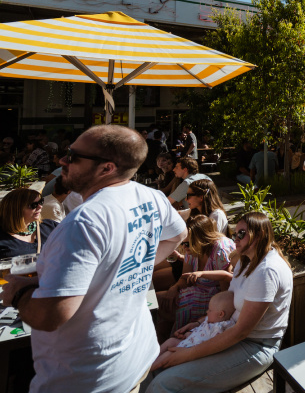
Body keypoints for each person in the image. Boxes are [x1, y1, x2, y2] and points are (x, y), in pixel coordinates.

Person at [0, 125, 187, 393]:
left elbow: (52, 316)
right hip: (133, 360)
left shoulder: (83, 222)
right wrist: (122, 269)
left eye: (73, 155)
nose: (62, 160)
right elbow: (178, 234)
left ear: (106, 168)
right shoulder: (150, 196)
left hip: (85, 377)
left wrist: (18, 293)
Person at [147, 212, 293, 392]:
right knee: (163, 361)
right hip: (228, 331)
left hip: (255, 345)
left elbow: (241, 332)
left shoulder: (266, 271)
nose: (235, 239)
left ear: (260, 234)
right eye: (235, 234)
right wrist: (198, 323)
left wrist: (188, 354)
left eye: (241, 234)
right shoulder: (245, 261)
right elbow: (229, 303)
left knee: (163, 384)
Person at [156, 214, 236, 340]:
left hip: (213, 298)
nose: (184, 247)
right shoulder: (191, 249)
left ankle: (169, 338)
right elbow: (185, 278)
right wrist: (175, 287)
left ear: (201, 240)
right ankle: (160, 337)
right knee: (153, 300)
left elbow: (225, 291)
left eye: (187, 243)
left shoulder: (220, 250)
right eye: (183, 243)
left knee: (158, 304)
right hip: (193, 291)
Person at [153, 291, 235, 370]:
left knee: (169, 353)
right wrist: (190, 333)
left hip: (192, 349)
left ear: (221, 314)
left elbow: (212, 342)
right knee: (171, 341)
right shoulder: (210, 320)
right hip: (188, 341)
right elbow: (200, 331)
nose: (207, 312)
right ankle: (151, 358)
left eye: (210, 310)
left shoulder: (220, 328)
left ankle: (147, 369)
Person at [0, 188, 58, 257]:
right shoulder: (3, 239)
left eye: (41, 202)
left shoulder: (51, 226)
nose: (40, 207)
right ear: (16, 209)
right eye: (34, 205)